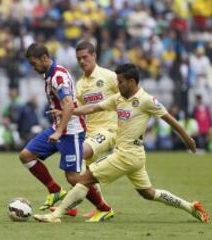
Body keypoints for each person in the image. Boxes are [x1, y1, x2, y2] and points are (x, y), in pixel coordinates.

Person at [34, 63, 209, 223]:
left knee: (84, 179)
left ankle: (56, 215)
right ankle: (191, 207)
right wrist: (68, 111)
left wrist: (188, 139)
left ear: (132, 81)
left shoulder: (146, 100)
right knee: (148, 193)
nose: (118, 85)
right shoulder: (119, 98)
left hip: (126, 155)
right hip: (134, 156)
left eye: (121, 81)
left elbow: (170, 119)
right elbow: (92, 108)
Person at [20, 43, 104, 215]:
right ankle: (55, 190)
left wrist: (59, 132)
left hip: (71, 131)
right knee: (26, 155)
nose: (33, 68)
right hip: (57, 127)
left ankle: (103, 208)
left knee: (73, 177)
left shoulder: (58, 76)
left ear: (44, 58)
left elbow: (68, 105)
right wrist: (57, 129)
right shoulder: (49, 74)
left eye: (34, 63)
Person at [74, 41, 119, 221]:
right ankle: (101, 207)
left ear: (94, 56)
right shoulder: (80, 85)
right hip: (90, 132)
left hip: (109, 129)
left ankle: (66, 207)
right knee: (84, 172)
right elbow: (79, 110)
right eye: (79, 59)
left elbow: (129, 94)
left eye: (85, 57)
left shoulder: (109, 76)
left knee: (81, 152)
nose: (82, 61)